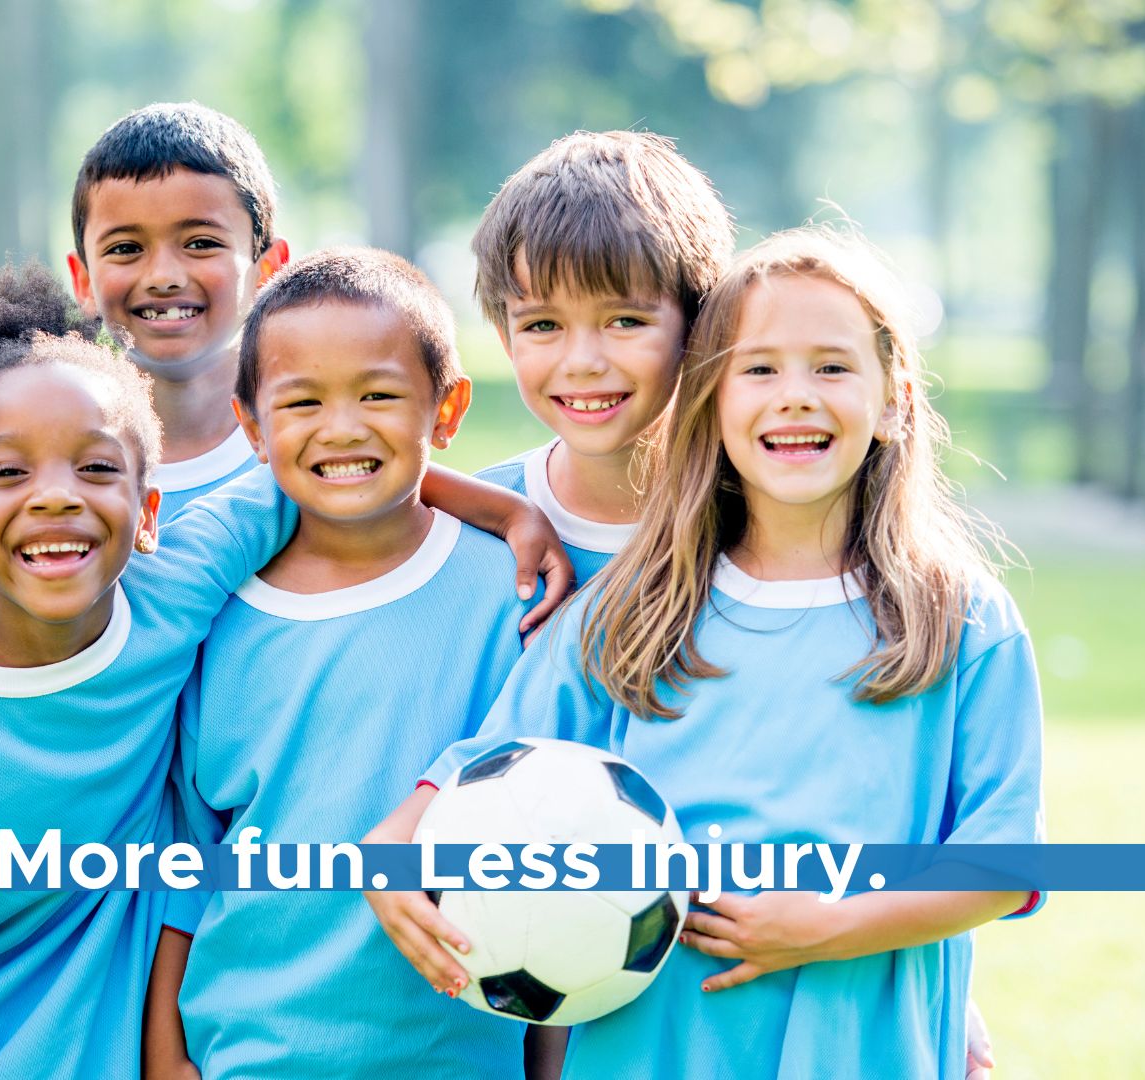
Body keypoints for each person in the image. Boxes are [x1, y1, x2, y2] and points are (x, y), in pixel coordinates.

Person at [0, 264, 571, 1080]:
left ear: (149, 515)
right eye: (8, 473)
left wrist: (506, 509)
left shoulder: (176, 592)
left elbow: (331, 461)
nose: (57, 498)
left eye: (98, 469)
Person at [366, 227, 1045, 1079]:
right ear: (710, 399)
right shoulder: (633, 610)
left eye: (831, 367)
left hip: (861, 1049)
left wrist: (827, 927)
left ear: (896, 399)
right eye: (758, 369)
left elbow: (1004, 863)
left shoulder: (960, 620)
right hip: (655, 1050)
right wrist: (395, 847)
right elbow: (488, 764)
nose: (794, 396)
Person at [144, 249, 534, 1079]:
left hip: (457, 1058)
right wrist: (166, 1055)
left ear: (448, 407)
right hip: (248, 1056)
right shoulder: (212, 622)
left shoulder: (512, 592)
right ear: (251, 425)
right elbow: (186, 857)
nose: (343, 427)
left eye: (380, 395)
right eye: (303, 402)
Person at [469, 131, 733, 579]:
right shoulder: (473, 526)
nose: (582, 362)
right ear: (506, 340)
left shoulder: (758, 514)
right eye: (543, 325)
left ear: (698, 324)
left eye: (625, 321)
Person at [65, 103, 291, 519]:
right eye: (125, 249)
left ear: (269, 268)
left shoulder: (306, 444)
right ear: (84, 282)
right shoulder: (53, 462)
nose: (163, 277)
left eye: (201, 243)